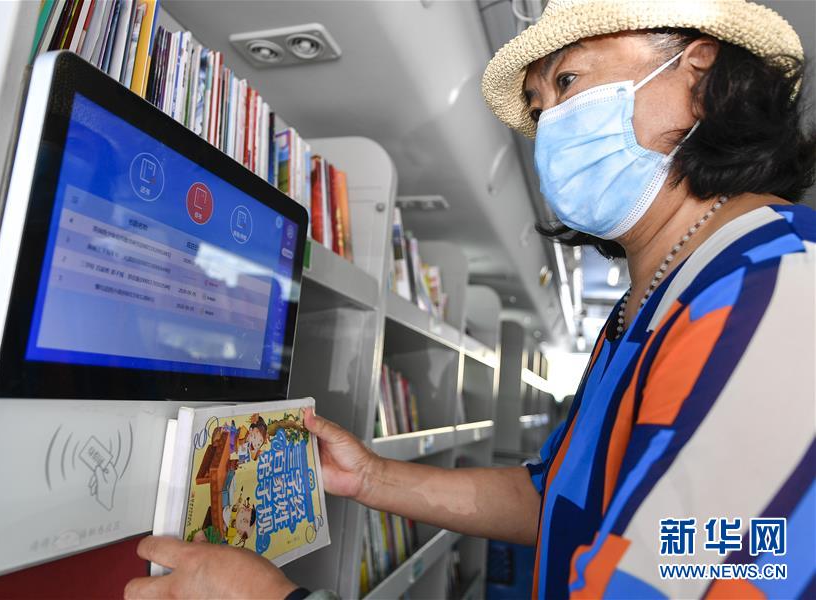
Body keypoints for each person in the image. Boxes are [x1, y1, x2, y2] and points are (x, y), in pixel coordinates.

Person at [125, 0, 815, 597]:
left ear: (699, 74)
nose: (551, 129)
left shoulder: (776, 288)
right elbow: (559, 499)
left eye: (568, 82)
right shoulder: (652, 299)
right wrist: (373, 479)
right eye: (539, 111)